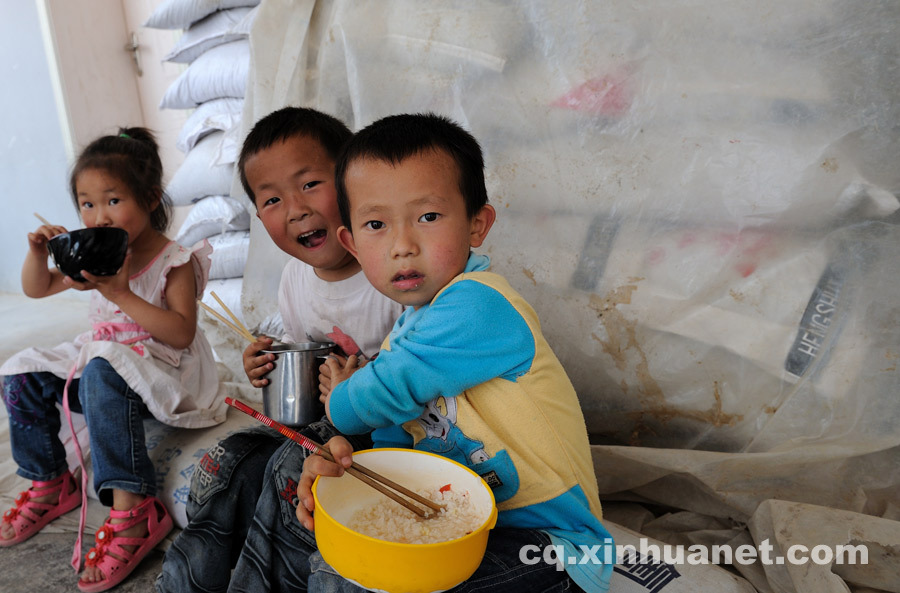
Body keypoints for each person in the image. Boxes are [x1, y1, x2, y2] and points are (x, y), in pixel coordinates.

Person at [294, 113, 615, 592]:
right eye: (377, 224)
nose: (403, 246)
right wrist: (350, 467)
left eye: (428, 217)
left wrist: (343, 397)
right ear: (353, 244)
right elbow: (395, 443)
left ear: (476, 225)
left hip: (546, 545)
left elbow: (375, 396)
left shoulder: (479, 303)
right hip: (456, 529)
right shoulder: (403, 332)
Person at [155, 107, 403, 593]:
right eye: (270, 199)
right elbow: (304, 361)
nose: (294, 208)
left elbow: (425, 382)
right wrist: (268, 366)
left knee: (289, 471)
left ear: (354, 178)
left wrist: (361, 385)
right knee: (230, 460)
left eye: (310, 183)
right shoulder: (295, 280)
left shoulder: (393, 269)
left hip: (386, 436)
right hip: (314, 423)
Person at [0, 127, 226, 592]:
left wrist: (119, 292)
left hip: (164, 369)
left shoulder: (173, 259)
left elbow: (181, 332)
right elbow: (36, 288)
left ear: (149, 198)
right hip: (103, 366)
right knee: (21, 369)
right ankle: (49, 480)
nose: (98, 215)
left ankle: (134, 510)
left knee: (103, 365)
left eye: (112, 200)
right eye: (86, 202)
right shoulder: (94, 251)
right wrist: (38, 254)